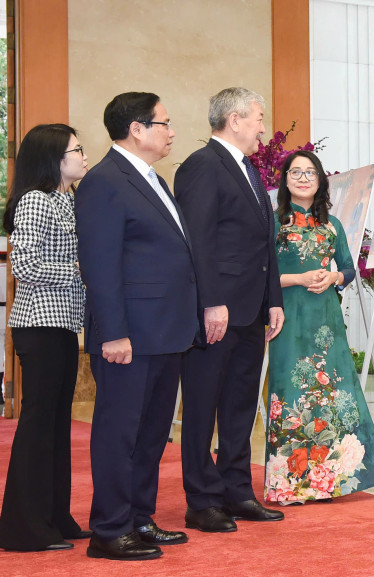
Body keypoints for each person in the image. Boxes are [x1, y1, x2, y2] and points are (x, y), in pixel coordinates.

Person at [76, 92, 197, 560]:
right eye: (165, 123)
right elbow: (100, 266)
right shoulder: (105, 181)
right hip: (130, 334)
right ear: (136, 128)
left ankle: (138, 517)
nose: (171, 132)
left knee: (151, 432)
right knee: (119, 432)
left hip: (166, 331)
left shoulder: (154, 180)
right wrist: (113, 333)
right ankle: (109, 528)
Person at [175, 87, 285, 532]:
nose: (263, 126)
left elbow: (264, 241)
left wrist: (272, 298)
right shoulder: (202, 166)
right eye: (258, 117)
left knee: (240, 405)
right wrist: (210, 302)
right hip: (216, 312)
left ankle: (237, 491)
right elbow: (197, 242)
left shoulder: (249, 171)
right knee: (203, 406)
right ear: (234, 119)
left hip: (250, 311)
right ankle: (201, 501)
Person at [263, 150, 374, 504]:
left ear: (320, 180)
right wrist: (298, 278)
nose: (303, 178)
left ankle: (330, 479)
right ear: (285, 180)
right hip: (288, 316)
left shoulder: (332, 224)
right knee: (292, 390)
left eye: (310, 173)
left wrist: (334, 275)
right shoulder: (273, 222)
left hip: (327, 319)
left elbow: (349, 268)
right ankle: (290, 484)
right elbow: (264, 272)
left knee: (335, 391)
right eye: (295, 172)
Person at [0, 124, 89, 552]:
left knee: (55, 425)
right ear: (54, 158)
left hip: (63, 324)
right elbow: (27, 268)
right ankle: (23, 528)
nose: (83, 156)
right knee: (38, 426)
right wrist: (79, 270)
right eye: (77, 149)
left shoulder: (67, 199)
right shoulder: (36, 201)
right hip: (39, 324)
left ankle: (55, 516)